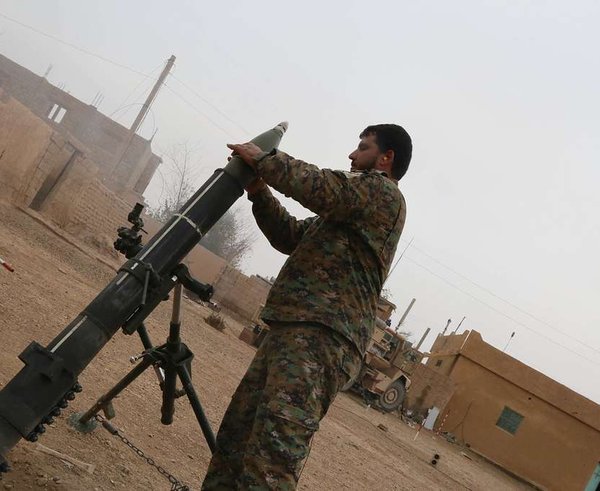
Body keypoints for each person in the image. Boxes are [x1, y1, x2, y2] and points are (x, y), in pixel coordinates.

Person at [201, 124, 412, 490]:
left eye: (362, 147)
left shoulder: (381, 194)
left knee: (272, 456)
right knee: (237, 440)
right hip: (294, 330)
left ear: (386, 157)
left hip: (322, 338)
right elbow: (289, 236)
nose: (351, 155)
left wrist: (265, 159)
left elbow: (322, 187)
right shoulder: (346, 213)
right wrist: (258, 191)